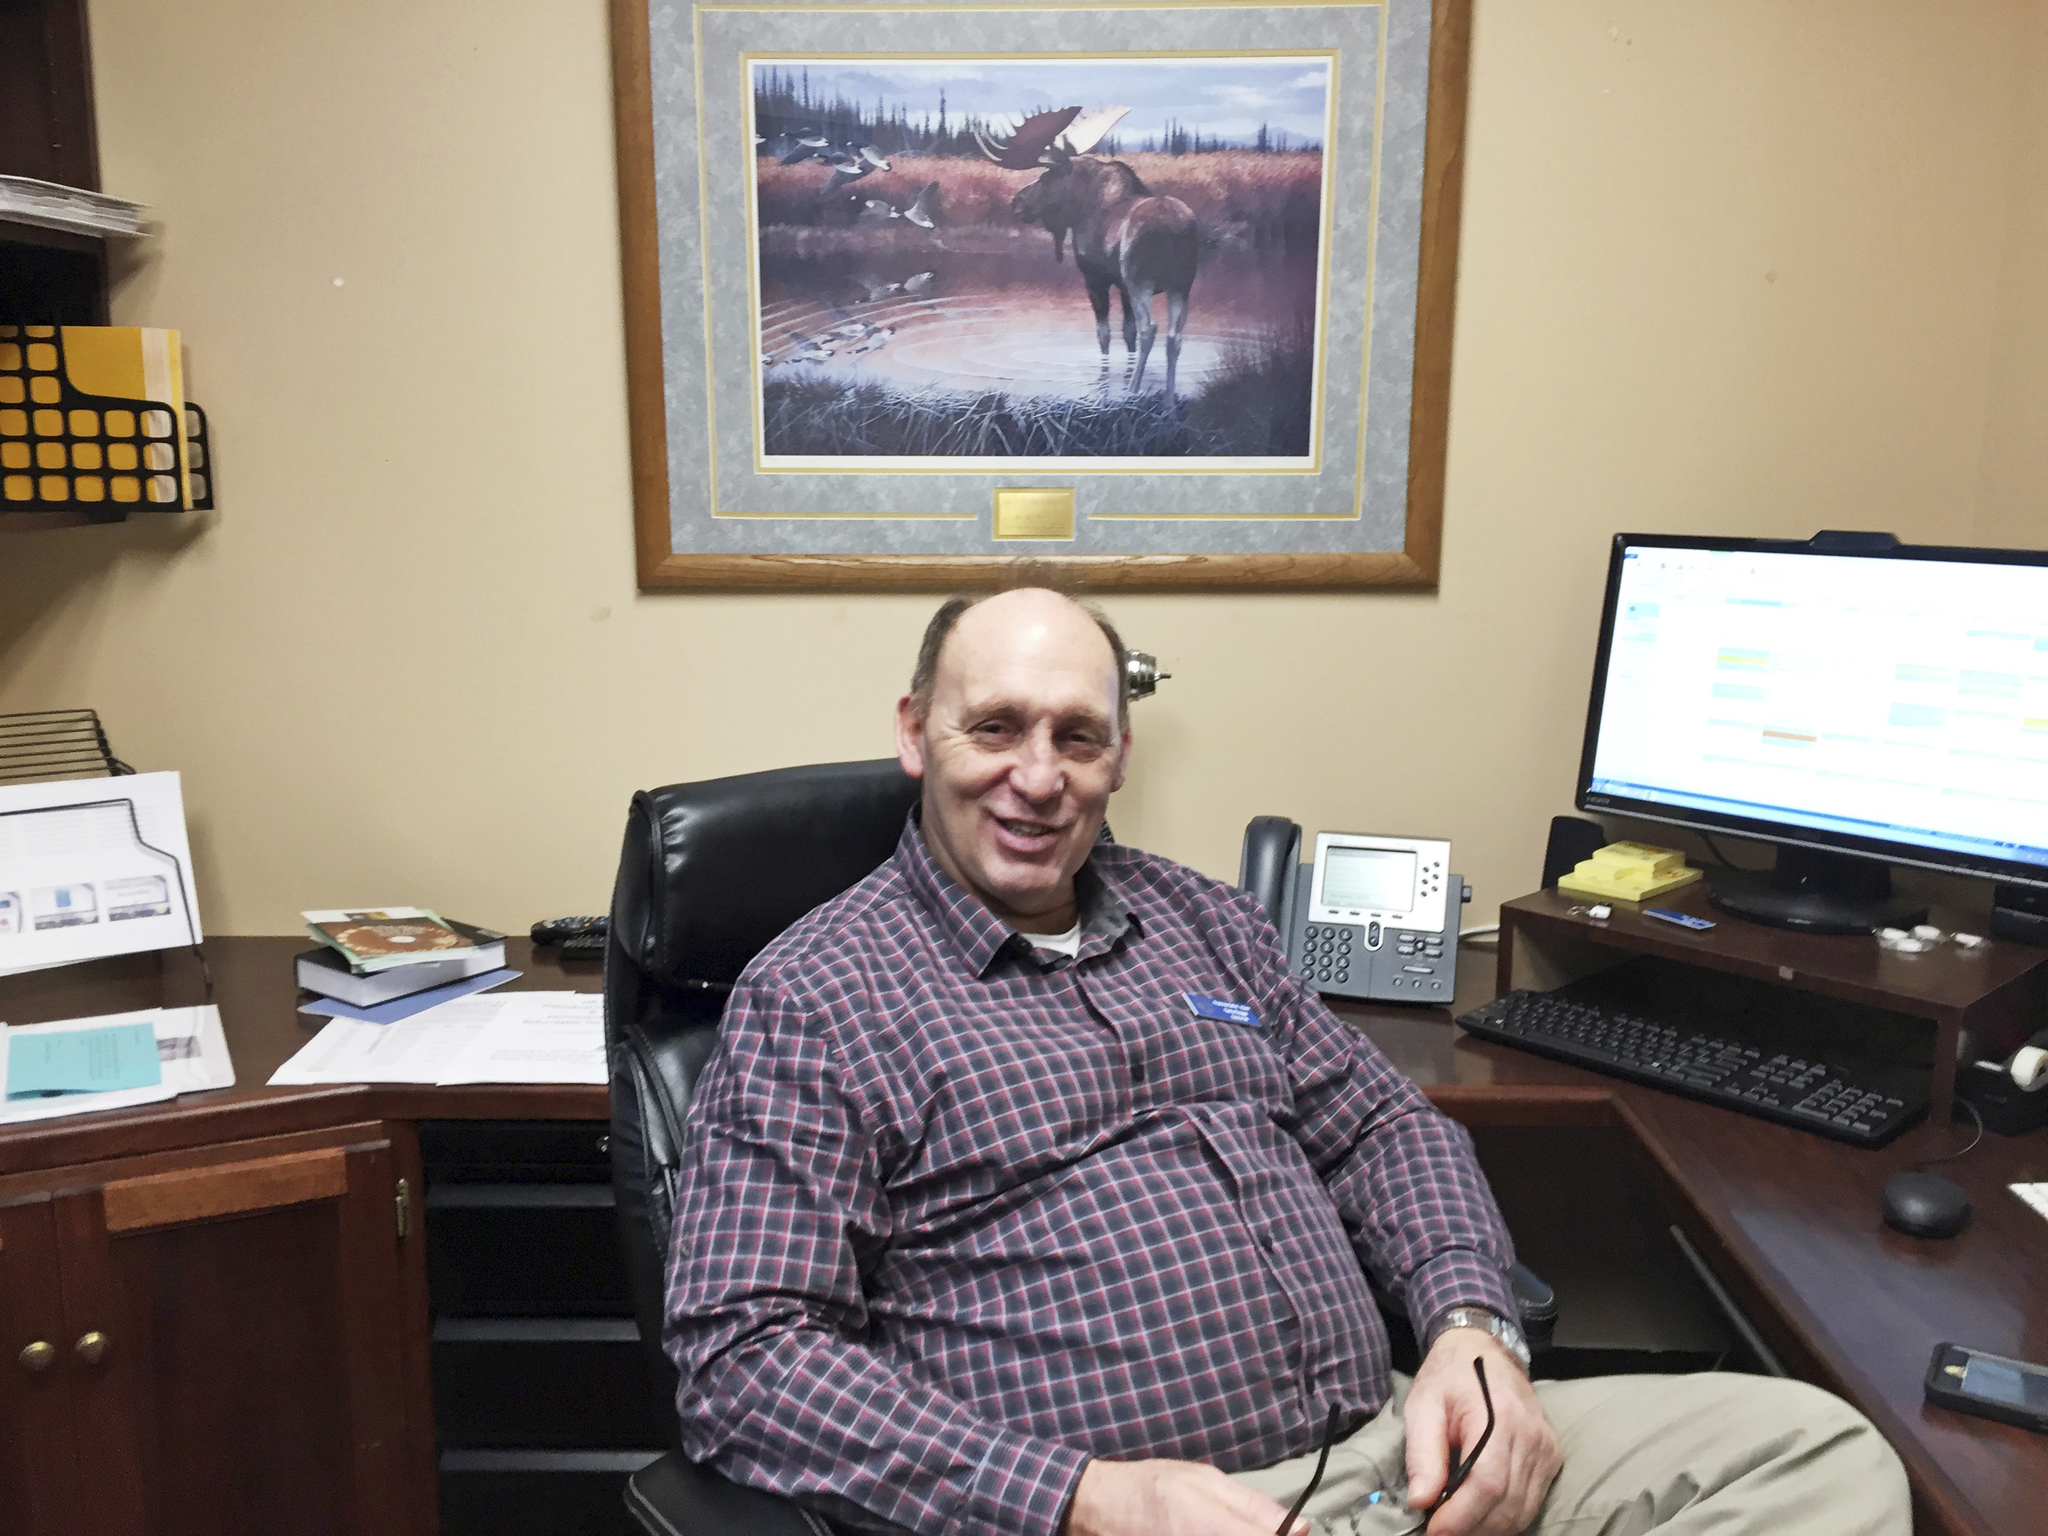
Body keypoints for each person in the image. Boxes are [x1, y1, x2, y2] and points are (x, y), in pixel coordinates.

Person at [664, 581, 1910, 1536]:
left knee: (1815, 1454)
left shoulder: (1204, 919)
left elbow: (1382, 1129)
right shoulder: (820, 996)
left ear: (1119, 756)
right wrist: (1087, 1496)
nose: (1035, 778)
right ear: (913, 735)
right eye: (993, 727)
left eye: (1076, 737)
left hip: (1395, 1448)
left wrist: (1471, 1332)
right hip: (1133, 1517)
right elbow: (745, 1359)